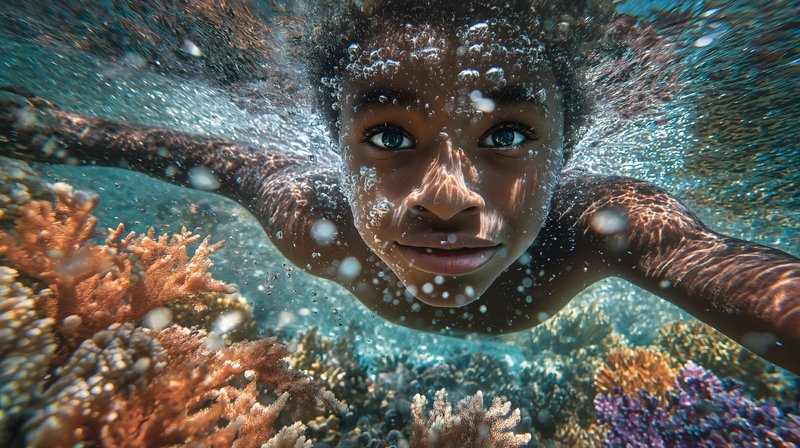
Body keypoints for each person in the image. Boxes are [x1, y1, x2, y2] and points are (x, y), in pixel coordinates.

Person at [1, 0, 798, 375]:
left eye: (509, 136)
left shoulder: (604, 222)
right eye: (388, 137)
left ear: (569, 152)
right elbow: (172, 150)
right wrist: (54, 130)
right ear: (335, 148)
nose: (446, 197)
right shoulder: (305, 207)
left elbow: (749, 282)